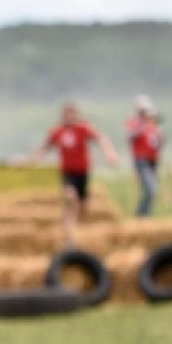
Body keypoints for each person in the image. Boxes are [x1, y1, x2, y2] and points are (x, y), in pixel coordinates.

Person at [25, 102, 119, 245]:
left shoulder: (83, 128)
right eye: (66, 114)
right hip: (68, 173)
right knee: (71, 198)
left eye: (72, 114)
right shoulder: (57, 132)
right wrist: (30, 161)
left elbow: (101, 139)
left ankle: (76, 231)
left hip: (83, 172)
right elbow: (44, 147)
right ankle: (69, 236)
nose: (69, 117)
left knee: (82, 207)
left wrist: (110, 154)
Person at [127, 95, 163, 217]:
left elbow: (157, 142)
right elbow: (130, 136)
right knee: (151, 189)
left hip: (153, 160)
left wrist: (160, 139)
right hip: (141, 160)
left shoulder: (152, 123)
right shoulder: (134, 122)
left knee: (150, 190)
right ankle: (141, 215)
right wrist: (142, 125)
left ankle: (146, 215)